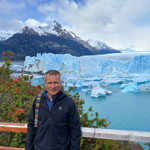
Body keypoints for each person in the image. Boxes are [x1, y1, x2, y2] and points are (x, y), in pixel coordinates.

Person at [25, 70, 81, 150]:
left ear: (60, 83)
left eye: (56, 82)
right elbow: (31, 126)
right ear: (45, 84)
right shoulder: (38, 101)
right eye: (50, 83)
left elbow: (75, 131)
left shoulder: (68, 103)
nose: (53, 86)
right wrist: (29, 148)